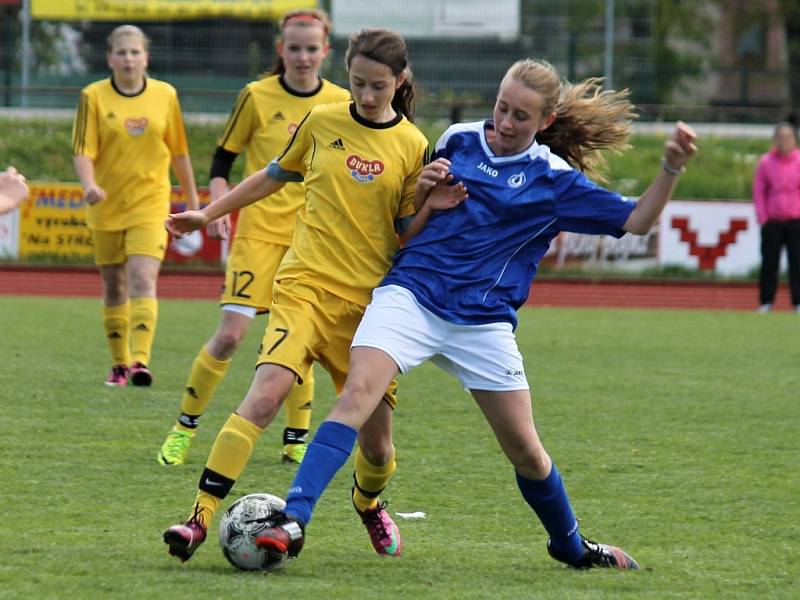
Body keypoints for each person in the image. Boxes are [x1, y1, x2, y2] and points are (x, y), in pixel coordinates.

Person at [253, 58, 698, 570]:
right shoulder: (457, 140)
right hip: (411, 296)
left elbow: (638, 220)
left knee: (528, 454)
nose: (506, 123)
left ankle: (571, 547)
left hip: (482, 323)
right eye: (502, 108)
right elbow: (410, 216)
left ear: (545, 123)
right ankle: (294, 518)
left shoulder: (552, 181)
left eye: (522, 117)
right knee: (357, 394)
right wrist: (423, 191)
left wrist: (670, 168)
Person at [162, 29, 464, 563]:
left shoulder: (414, 145)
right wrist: (207, 214)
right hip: (303, 286)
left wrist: (427, 207)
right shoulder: (323, 122)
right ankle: (199, 519)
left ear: (400, 81)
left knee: (377, 446)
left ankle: (368, 503)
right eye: (357, 84)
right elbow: (273, 175)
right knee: (265, 394)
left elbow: (401, 236)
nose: (366, 96)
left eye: (377, 86)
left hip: (370, 310)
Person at [156, 10, 351, 467]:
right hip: (258, 234)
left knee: (299, 340)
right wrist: (215, 207)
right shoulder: (256, 97)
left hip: (314, 241)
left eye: (311, 48)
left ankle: (296, 437)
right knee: (230, 336)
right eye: (294, 48)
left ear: (326, 51)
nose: (303, 57)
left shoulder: (342, 102)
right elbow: (222, 163)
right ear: (280, 50)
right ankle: (184, 427)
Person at [72, 24, 200, 387]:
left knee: (143, 278)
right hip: (107, 205)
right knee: (114, 285)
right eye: (122, 52)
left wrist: (193, 202)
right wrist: (89, 184)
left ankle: (141, 361)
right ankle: (119, 364)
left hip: (150, 203)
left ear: (146, 57)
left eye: (135, 52)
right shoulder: (93, 96)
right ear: (110, 58)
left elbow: (179, 152)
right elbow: (82, 148)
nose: (129, 58)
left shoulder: (165, 95)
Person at [753, 121, 800, 314]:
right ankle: (766, 302)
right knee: (769, 264)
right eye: (780, 137)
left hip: (796, 220)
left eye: (787, 137)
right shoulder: (766, 162)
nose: (784, 141)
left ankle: (798, 303)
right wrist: (763, 217)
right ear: (775, 139)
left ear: (795, 140)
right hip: (773, 220)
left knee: (797, 264)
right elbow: (759, 189)